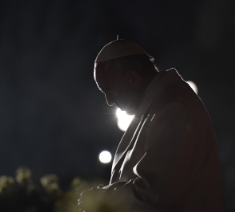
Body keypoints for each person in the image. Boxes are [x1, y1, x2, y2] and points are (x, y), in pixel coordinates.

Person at [78, 39, 226, 212]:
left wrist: (103, 198)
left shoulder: (175, 106)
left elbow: (154, 195)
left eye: (109, 91)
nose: (109, 101)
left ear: (133, 78)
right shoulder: (158, 106)